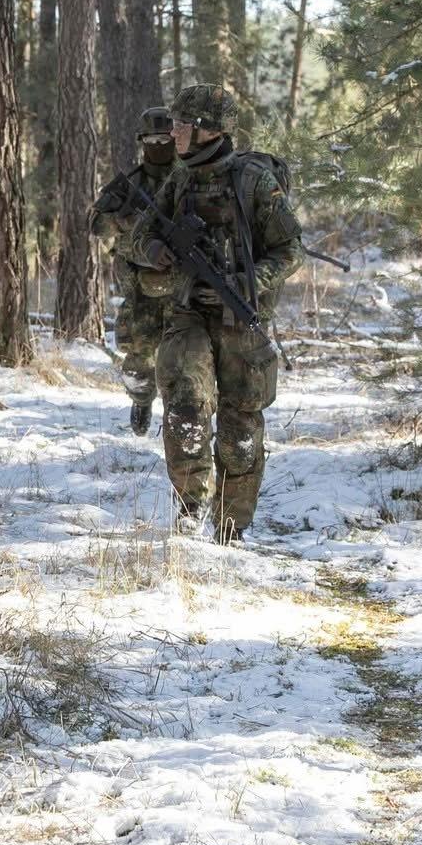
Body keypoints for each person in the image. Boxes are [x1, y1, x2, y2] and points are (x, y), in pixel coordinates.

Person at [123, 84, 301, 543]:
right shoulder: (179, 181)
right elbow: (135, 240)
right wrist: (157, 250)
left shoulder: (254, 182)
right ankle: (188, 509)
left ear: (207, 130)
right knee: (184, 409)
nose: (173, 133)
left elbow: (290, 251)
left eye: (182, 124)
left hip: (241, 319)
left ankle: (231, 526)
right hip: (188, 316)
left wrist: (247, 282)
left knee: (241, 429)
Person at [92, 107, 177, 435]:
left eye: (165, 139)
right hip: (139, 286)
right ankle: (141, 400)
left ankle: (180, 412)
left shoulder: (188, 180)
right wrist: (126, 221)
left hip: (182, 282)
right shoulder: (130, 184)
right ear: (142, 142)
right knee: (139, 356)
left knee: (185, 355)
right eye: (152, 139)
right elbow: (96, 223)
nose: (159, 145)